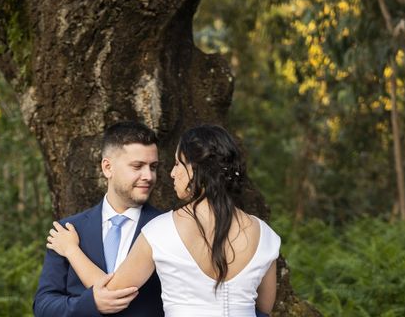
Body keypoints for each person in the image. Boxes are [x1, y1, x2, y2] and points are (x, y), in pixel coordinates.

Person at [47, 124, 280, 317]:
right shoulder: (267, 236)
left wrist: (71, 250)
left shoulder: (161, 231)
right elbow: (262, 310)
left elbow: (111, 292)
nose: (171, 173)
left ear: (196, 170)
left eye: (178, 164)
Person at [33, 121, 164, 316]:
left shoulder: (167, 227)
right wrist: (90, 303)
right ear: (107, 167)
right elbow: (43, 306)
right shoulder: (67, 230)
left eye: (153, 167)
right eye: (137, 166)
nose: (148, 176)